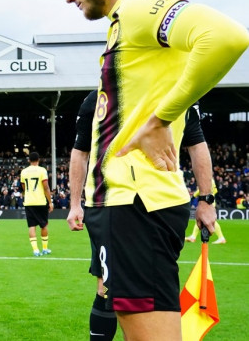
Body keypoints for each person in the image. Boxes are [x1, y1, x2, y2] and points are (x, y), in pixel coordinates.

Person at [60, 0, 249, 340]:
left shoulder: (140, 4)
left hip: (136, 206)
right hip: (127, 205)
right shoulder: (123, 21)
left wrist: (161, 118)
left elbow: (228, 37)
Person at [67, 92, 220, 341]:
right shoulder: (96, 100)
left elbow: (197, 144)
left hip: (160, 207)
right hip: (112, 205)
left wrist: (206, 199)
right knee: (108, 288)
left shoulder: (179, 94)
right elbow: (80, 152)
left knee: (141, 302)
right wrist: (75, 204)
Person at [20, 152, 53, 256]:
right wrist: (50, 202)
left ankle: (35, 250)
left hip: (29, 202)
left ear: (29, 160)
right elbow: (46, 187)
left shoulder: (24, 172)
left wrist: (28, 194)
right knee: (43, 225)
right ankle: (45, 248)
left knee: (31, 226)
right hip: (41, 201)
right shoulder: (42, 170)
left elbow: (23, 187)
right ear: (38, 160)